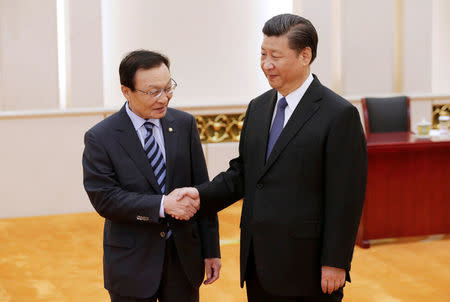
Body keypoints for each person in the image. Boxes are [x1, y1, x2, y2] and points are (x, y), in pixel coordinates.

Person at [175, 14, 367, 301]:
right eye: (262, 54)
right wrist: (200, 196)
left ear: (305, 55)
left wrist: (336, 261)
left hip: (308, 265)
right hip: (257, 260)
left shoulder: (338, 114)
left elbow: (345, 197)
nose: (266, 64)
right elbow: (244, 172)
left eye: (275, 56)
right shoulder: (259, 107)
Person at [82, 50, 221, 302]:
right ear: (126, 91)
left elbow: (202, 190)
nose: (164, 98)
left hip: (183, 261)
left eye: (168, 88)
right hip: (131, 264)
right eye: (153, 91)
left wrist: (211, 250)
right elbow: (105, 198)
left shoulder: (184, 124)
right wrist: (161, 205)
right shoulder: (101, 137)